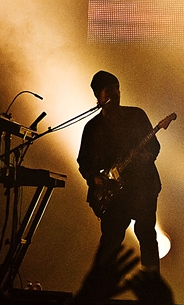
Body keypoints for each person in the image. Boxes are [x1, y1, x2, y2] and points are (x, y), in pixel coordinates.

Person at [77, 71, 162, 271]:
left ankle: (151, 289)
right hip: (113, 193)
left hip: (142, 188)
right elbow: (84, 162)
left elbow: (153, 147)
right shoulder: (92, 127)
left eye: (116, 87)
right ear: (98, 96)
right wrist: (95, 179)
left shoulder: (136, 115)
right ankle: (100, 290)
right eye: (108, 89)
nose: (115, 92)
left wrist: (145, 158)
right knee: (110, 241)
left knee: (146, 234)